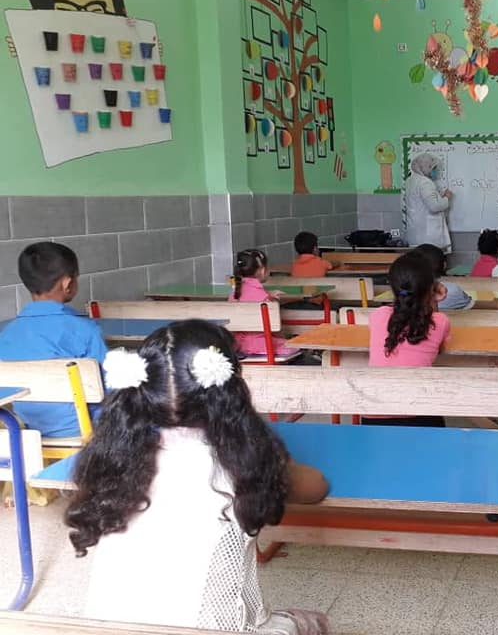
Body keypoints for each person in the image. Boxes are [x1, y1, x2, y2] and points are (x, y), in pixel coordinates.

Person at [65, 320, 330, 633]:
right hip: (213, 629)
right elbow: (317, 487)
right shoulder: (244, 464)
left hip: (107, 629)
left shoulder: (113, 462)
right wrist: (269, 450)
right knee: (311, 623)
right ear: (231, 390)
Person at [0, 241, 107, 437]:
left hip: (27, 432)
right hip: (86, 431)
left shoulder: (6, 334)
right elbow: (110, 389)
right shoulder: (86, 330)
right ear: (67, 284)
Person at [367, 253, 450, 427]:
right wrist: (432, 298)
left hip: (374, 416)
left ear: (392, 287)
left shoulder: (377, 316)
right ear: (430, 288)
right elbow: (439, 347)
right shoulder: (440, 321)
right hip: (419, 416)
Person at [229, 249, 299, 359]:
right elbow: (275, 329)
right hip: (262, 346)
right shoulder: (264, 298)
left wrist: (268, 294)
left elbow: (249, 296)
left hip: (237, 345)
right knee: (295, 346)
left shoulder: (234, 294)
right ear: (262, 270)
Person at [415, 244, 498, 310]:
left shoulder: (409, 294)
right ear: (444, 265)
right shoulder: (449, 290)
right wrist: (496, 304)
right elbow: (475, 306)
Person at [404, 154, 452, 251]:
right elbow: (434, 207)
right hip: (428, 235)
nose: (435, 171)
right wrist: (447, 198)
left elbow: (423, 201)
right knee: (429, 258)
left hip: (416, 232)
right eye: (433, 168)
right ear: (426, 167)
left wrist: (439, 198)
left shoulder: (410, 180)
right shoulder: (425, 182)